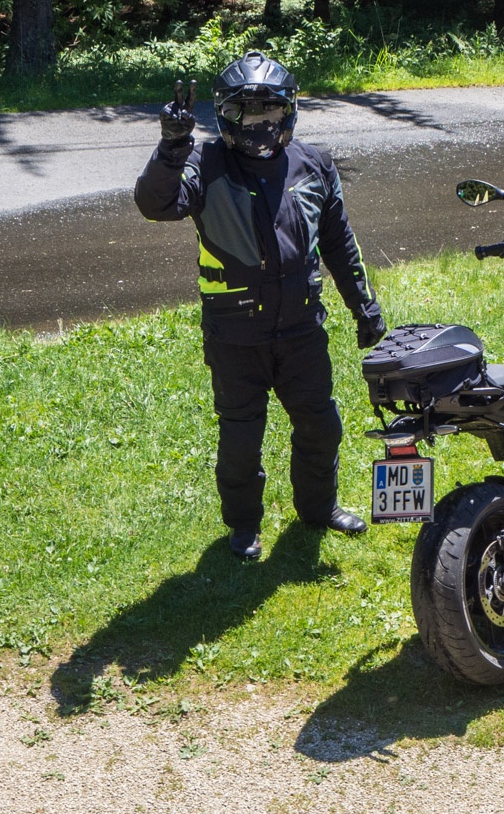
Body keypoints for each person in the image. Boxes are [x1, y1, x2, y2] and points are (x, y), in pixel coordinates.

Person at [134, 51, 388, 560]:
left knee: (321, 425)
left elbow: (339, 241)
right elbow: (155, 204)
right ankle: (244, 525)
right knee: (241, 438)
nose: (259, 124)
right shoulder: (204, 163)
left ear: (289, 110)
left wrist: (364, 307)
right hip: (235, 335)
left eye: (269, 111)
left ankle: (319, 507)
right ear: (225, 115)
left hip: (302, 328)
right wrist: (171, 147)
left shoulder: (314, 164)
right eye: (245, 112)